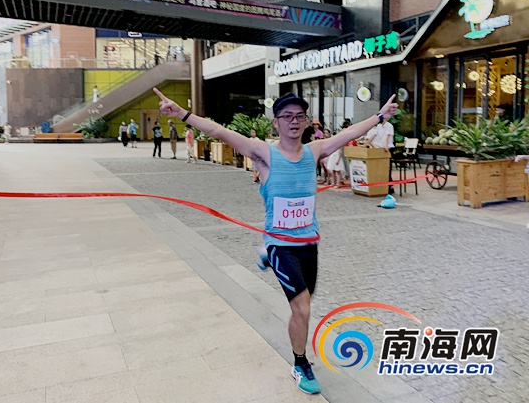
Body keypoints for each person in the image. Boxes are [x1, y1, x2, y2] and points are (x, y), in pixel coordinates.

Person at [153, 87, 398, 395]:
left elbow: (350, 133)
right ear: (276, 122)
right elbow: (220, 131)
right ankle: (300, 363)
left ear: (306, 121)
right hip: (281, 244)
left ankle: (266, 257)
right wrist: (182, 113)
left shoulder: (314, 151)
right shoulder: (264, 154)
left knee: (305, 303)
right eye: (287, 116)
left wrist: (379, 116)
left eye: (299, 116)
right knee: (302, 308)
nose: (294, 121)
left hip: (309, 243)